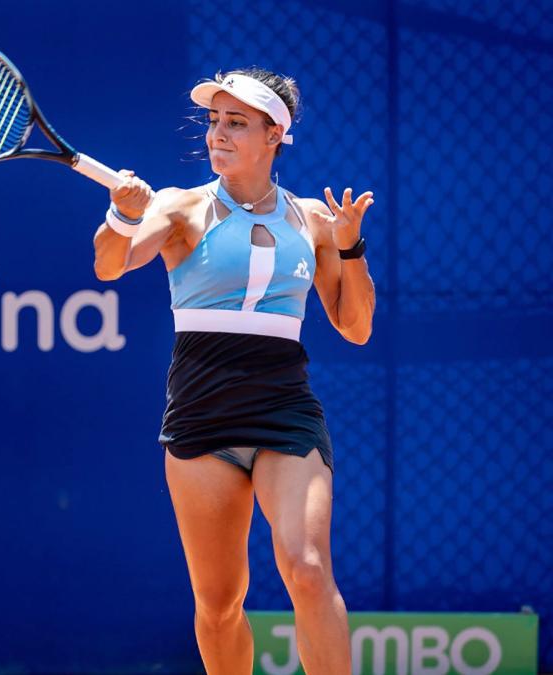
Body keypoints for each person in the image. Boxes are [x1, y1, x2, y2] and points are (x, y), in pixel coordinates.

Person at [92, 68, 375, 674]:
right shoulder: (180, 207)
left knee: (307, 568)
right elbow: (111, 266)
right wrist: (121, 215)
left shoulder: (312, 222)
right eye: (214, 122)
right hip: (202, 416)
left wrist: (350, 248)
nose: (218, 134)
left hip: (285, 413)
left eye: (237, 123)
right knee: (220, 606)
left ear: (276, 135)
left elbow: (355, 326)